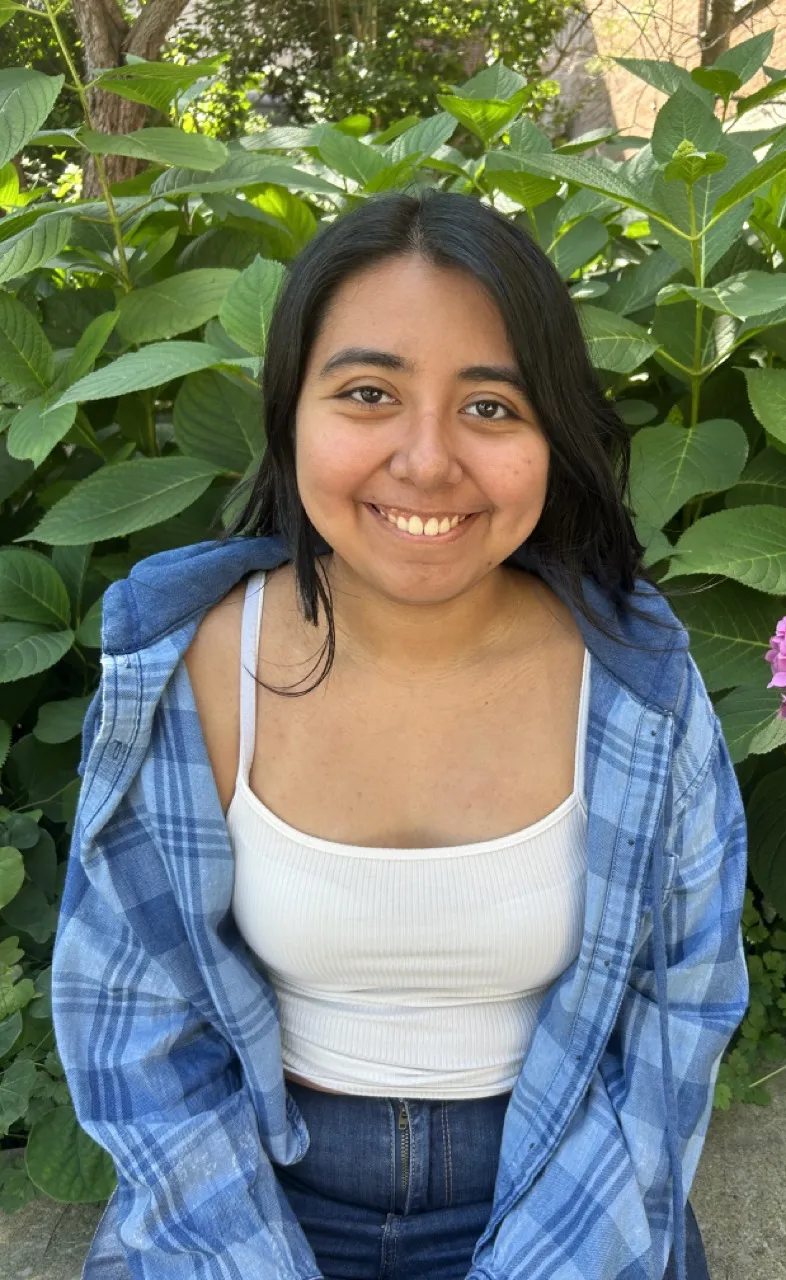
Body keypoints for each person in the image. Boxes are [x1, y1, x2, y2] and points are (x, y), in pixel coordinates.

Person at [51, 188, 749, 1280]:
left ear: (554, 435)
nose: (426, 462)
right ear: (288, 411)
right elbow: (135, 1021)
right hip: (256, 1183)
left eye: (491, 407)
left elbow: (678, 1009)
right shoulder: (188, 667)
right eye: (369, 391)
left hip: (559, 1179)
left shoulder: (634, 689)